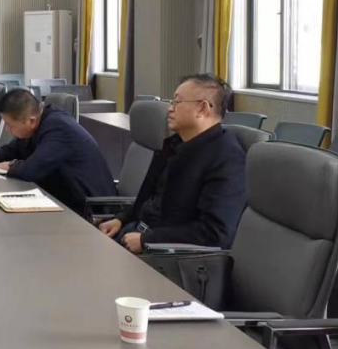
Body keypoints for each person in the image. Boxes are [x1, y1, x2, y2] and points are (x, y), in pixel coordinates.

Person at [99, 73, 246, 253]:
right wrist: (121, 219)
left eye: (177, 102)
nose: (170, 109)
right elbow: (148, 199)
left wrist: (147, 240)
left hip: (167, 254)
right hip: (137, 233)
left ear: (202, 108)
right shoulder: (174, 144)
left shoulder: (227, 158)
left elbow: (214, 233)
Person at [0, 88, 116, 213]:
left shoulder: (59, 128)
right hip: (62, 198)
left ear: (31, 121)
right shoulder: (40, 122)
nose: (7, 129)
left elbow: (31, 170)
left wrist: (10, 165)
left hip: (89, 208)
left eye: (10, 125)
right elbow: (15, 147)